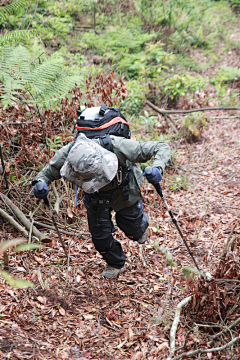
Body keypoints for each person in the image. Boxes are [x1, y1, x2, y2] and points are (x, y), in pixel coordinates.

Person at [33, 127, 171, 278]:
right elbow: (47, 171)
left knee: (133, 228)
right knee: (100, 238)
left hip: (123, 189)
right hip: (95, 197)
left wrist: (158, 168)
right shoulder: (70, 153)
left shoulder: (118, 146)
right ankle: (115, 263)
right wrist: (40, 183)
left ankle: (140, 227)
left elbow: (160, 147)